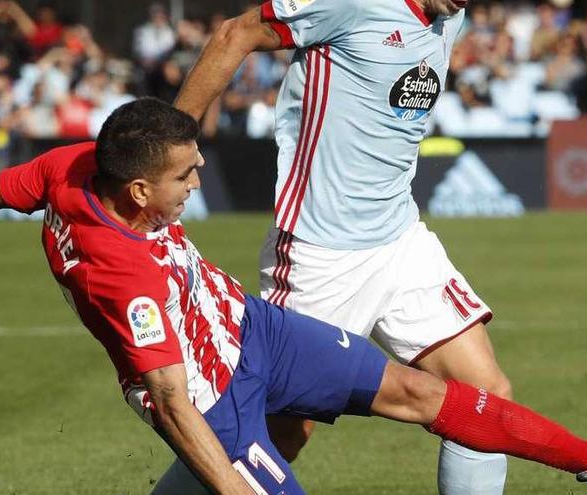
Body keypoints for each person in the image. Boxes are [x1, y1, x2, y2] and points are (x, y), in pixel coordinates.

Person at [0, 98, 587, 495]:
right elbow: (171, 402)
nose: (200, 178)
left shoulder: (72, 163)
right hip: (215, 401)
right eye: (184, 176)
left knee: (427, 390)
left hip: (252, 327)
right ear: (138, 189)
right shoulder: (123, 274)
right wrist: (236, 489)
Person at [171, 0, 515, 493]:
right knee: (275, 434)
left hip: (400, 239)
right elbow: (235, 34)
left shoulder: (450, 16)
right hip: (318, 253)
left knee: (485, 398)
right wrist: (171, 143)